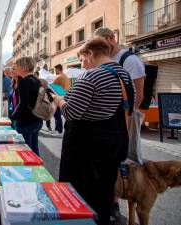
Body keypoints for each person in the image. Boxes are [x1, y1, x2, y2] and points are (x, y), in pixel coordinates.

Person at [54, 38, 135, 225]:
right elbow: (129, 106)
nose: (82, 64)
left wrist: (60, 101)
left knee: (77, 197)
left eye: (81, 59)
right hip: (114, 143)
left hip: (87, 149)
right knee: (104, 192)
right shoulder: (125, 75)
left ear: (90, 54)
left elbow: (72, 112)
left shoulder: (90, 76)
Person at [94, 27, 146, 220]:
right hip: (108, 123)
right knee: (110, 164)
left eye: (101, 43)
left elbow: (138, 94)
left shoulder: (130, 60)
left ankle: (131, 203)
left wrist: (123, 120)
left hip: (124, 121)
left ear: (111, 39)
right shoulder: (107, 59)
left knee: (127, 161)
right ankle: (113, 202)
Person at [11, 57, 42, 155]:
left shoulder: (24, 82)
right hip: (36, 119)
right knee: (34, 150)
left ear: (24, 67)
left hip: (26, 121)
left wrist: (13, 116)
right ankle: (38, 168)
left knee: (26, 152)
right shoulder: (36, 80)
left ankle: (31, 169)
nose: (16, 68)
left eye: (18, 66)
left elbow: (23, 104)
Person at [51, 64, 70, 135]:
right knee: (57, 115)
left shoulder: (59, 77)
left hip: (59, 98)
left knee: (57, 115)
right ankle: (57, 129)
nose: (55, 71)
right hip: (65, 97)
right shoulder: (66, 77)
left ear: (58, 69)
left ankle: (59, 131)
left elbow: (51, 86)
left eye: (55, 70)